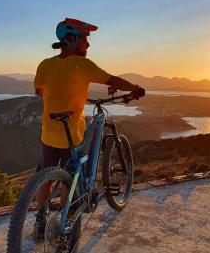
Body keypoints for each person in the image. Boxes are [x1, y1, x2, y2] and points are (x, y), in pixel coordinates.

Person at [33, 18, 145, 239]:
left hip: (48, 131)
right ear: (72, 40)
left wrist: (63, 95)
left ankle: (40, 220)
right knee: (71, 176)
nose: (88, 44)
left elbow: (40, 91)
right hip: (72, 134)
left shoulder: (45, 64)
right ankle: (68, 221)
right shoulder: (82, 65)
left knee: (45, 176)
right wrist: (135, 88)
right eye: (85, 39)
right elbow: (111, 79)